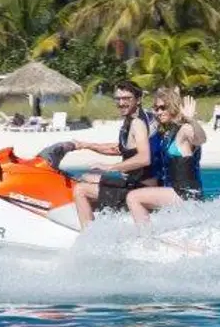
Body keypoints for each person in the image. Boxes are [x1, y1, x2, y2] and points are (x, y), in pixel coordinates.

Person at [70, 81, 155, 228]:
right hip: (134, 183)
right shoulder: (133, 120)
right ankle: (102, 219)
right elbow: (119, 149)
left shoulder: (137, 124)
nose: (121, 103)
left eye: (127, 98)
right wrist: (86, 145)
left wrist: (110, 168)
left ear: (138, 100)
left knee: (81, 190)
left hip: (139, 188)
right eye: (118, 99)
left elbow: (144, 158)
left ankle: (89, 238)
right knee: (85, 177)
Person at [126, 89, 208, 226]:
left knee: (133, 198)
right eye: (156, 108)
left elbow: (201, 139)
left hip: (185, 195)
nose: (159, 112)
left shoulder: (184, 129)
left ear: (173, 107)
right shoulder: (166, 132)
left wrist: (191, 120)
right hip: (175, 192)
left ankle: (146, 241)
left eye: (163, 108)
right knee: (137, 190)